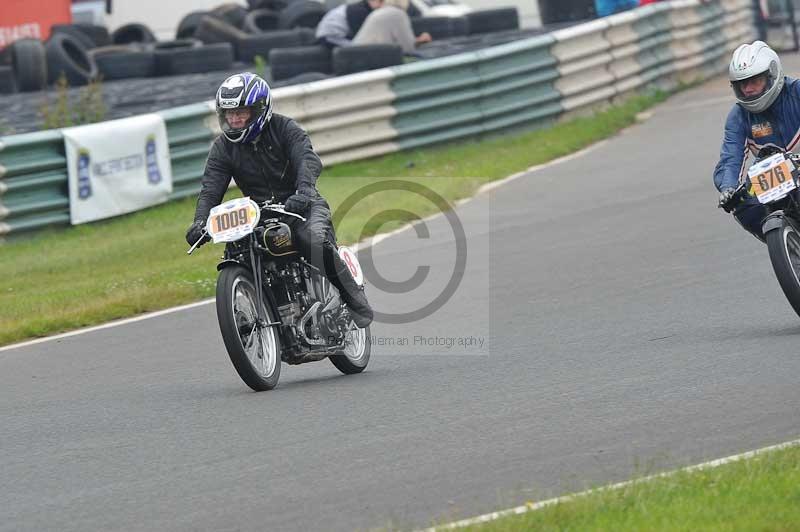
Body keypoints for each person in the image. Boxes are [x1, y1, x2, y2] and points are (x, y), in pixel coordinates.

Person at [185, 72, 374, 328]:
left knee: (311, 239)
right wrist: (200, 222)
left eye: (241, 112)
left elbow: (307, 160)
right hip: (259, 214)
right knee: (237, 249)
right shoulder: (222, 148)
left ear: (259, 109)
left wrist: (304, 192)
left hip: (302, 206)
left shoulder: (286, 129)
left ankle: (355, 299)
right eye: (229, 114)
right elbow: (210, 189)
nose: (234, 119)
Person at [714, 40, 800, 241]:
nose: (748, 89)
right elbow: (730, 158)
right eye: (742, 84)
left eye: (754, 81)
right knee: (741, 204)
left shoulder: (796, 92)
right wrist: (728, 188)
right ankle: (787, 244)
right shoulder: (738, 116)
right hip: (773, 176)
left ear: (772, 75)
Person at [316, 0, 431, 52]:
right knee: (358, 50)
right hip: (331, 37)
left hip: (341, 34)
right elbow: (362, 37)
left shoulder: (369, 11)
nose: (382, 4)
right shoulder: (358, 11)